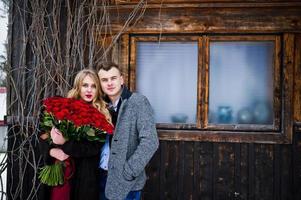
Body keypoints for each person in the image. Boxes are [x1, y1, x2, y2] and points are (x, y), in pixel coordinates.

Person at [39, 69, 112, 200]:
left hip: (84, 179)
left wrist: (65, 144)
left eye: (93, 86)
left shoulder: (102, 114)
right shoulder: (63, 107)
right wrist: (51, 151)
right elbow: (43, 137)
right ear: (78, 86)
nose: (89, 90)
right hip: (60, 173)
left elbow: (92, 149)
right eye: (85, 85)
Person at [97, 62, 159, 200]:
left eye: (113, 78)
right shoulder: (99, 106)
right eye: (104, 80)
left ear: (121, 79)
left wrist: (129, 171)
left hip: (126, 182)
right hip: (100, 178)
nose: (109, 83)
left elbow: (150, 141)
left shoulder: (138, 102)